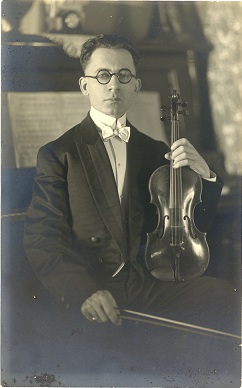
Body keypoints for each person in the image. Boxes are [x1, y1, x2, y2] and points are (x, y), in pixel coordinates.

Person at [24, 34, 239, 335]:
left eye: (124, 76)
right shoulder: (59, 153)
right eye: (103, 75)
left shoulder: (154, 150)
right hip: (95, 287)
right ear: (85, 86)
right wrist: (84, 291)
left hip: (150, 285)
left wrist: (205, 175)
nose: (114, 84)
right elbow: (43, 239)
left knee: (228, 299)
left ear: (136, 87)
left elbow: (188, 226)